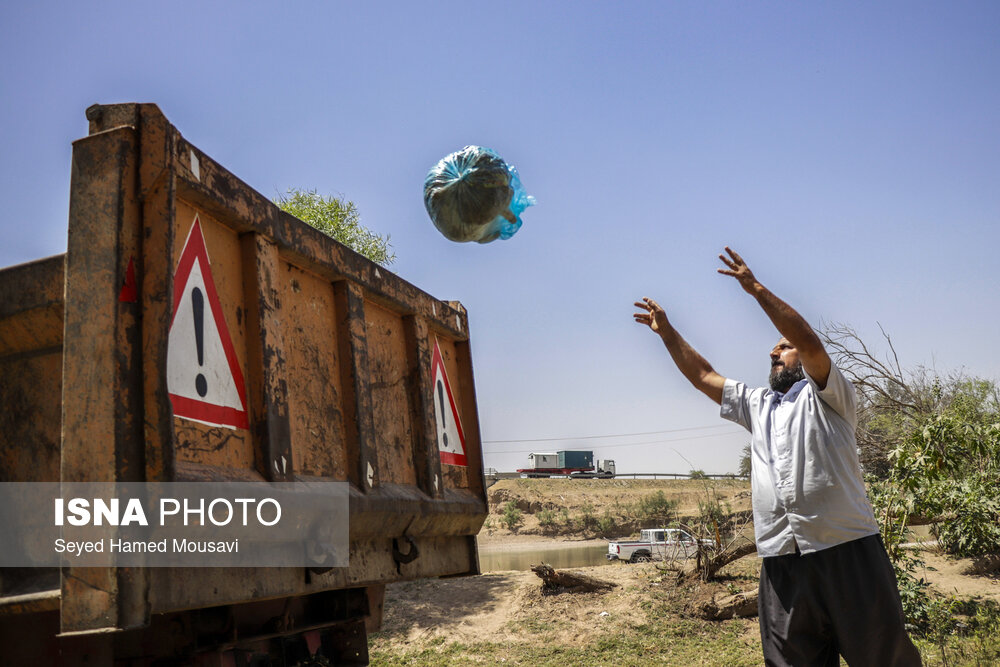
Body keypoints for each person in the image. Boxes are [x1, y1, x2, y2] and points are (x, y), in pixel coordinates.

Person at [633, 247, 921, 667]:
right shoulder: (757, 404)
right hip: (781, 560)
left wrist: (755, 289)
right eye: (773, 350)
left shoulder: (829, 395)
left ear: (802, 356)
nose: (774, 353)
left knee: (883, 660)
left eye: (783, 347)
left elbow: (808, 341)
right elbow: (703, 375)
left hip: (847, 550)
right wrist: (667, 333)